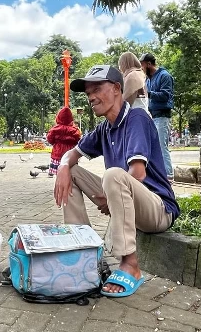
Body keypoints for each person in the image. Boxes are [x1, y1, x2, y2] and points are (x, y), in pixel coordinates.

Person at [54, 65, 180, 298]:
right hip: (127, 199)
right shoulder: (104, 129)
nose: (91, 96)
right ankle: (85, 253)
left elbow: (138, 173)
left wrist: (111, 200)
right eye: (88, 92)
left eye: (97, 89)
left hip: (158, 210)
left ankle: (130, 264)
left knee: (113, 174)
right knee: (71, 171)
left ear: (116, 88)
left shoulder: (137, 117)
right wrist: (62, 166)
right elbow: (72, 153)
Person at [140, 53, 174, 181]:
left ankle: (168, 176)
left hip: (162, 116)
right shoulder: (148, 79)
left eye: (142, 65)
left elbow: (166, 95)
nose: (142, 68)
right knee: (152, 146)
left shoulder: (164, 76)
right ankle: (157, 175)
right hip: (152, 116)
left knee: (161, 145)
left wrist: (148, 93)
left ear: (149, 64)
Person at [46, 107, 81, 177]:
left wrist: (56, 144)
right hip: (70, 155)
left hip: (57, 154)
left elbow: (49, 139)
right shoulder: (74, 130)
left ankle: (59, 186)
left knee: (58, 174)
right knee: (71, 172)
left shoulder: (54, 130)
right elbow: (78, 140)